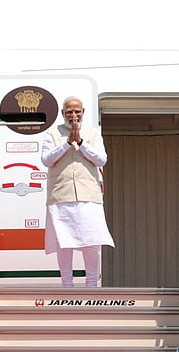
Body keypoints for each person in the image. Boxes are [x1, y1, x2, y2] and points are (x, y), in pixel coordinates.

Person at [40, 96, 114, 287]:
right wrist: (66, 144)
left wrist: (80, 142)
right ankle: (67, 286)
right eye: (69, 112)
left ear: (83, 112)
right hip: (60, 195)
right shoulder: (52, 134)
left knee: (92, 241)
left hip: (88, 194)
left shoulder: (93, 133)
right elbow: (47, 160)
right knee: (64, 243)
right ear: (63, 114)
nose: (74, 115)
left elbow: (101, 159)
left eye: (77, 111)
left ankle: (91, 285)